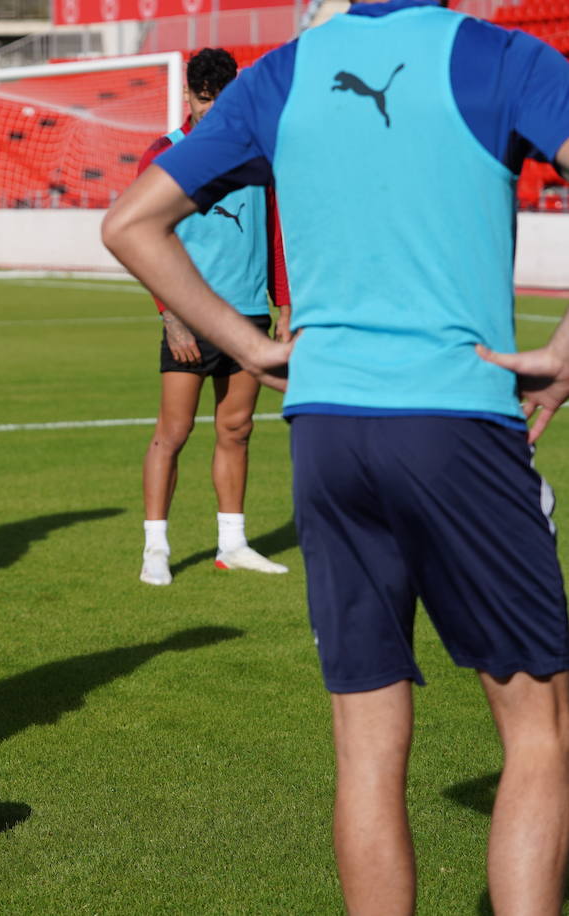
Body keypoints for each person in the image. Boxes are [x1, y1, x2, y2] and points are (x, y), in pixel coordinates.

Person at [102, 2, 569, 911]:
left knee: (364, 744)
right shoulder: (505, 56)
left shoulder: (281, 73)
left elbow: (129, 223)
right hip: (454, 419)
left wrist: (249, 344)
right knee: (538, 727)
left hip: (326, 429)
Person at [138, 48, 291, 587]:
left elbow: (275, 235)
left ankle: (233, 544)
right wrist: (170, 316)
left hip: (248, 313)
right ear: (188, 96)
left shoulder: (256, 151)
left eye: (221, 103)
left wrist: (285, 309)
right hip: (189, 318)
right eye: (204, 102)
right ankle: (155, 547)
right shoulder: (166, 152)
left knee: (237, 429)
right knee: (172, 433)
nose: (211, 112)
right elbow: (142, 239)